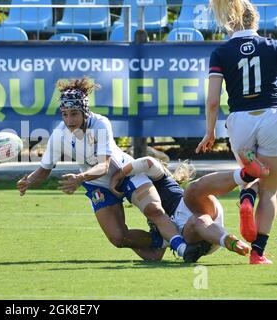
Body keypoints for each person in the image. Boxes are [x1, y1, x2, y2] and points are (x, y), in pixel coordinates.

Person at [17, 76, 196, 261]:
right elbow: (44, 170)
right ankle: (161, 240)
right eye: (64, 114)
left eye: (74, 113)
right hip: (97, 185)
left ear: (85, 111)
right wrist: (29, 181)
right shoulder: (58, 135)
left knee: (154, 210)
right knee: (119, 238)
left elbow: (104, 165)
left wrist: (80, 178)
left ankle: (184, 249)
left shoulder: (100, 124)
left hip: (126, 174)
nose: (69, 120)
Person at [196, 0, 277, 264]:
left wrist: (210, 132)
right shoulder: (272, 46)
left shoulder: (221, 52)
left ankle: (246, 192)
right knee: (271, 189)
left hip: (240, 119)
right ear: (255, 22)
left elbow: (212, 100)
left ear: (230, 23)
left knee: (250, 172)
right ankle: (258, 253)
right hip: (271, 115)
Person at [109, 154, 268, 262]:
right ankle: (230, 241)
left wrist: (120, 174)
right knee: (198, 221)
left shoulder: (159, 179)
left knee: (192, 190)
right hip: (195, 235)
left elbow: (148, 162)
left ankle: (245, 175)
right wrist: (126, 241)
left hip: (196, 206)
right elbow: (155, 255)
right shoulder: (154, 216)